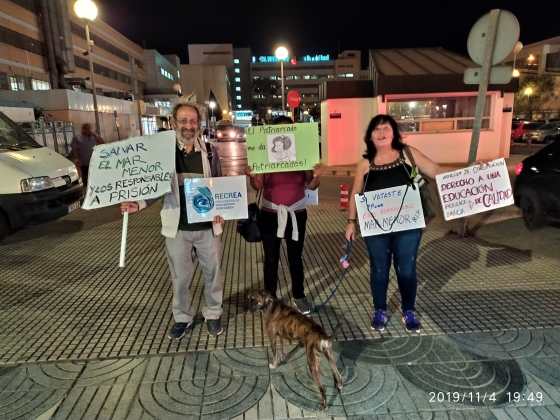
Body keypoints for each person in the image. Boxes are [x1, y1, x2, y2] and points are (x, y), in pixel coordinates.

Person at [120, 102, 225, 339]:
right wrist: (139, 203)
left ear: (198, 124)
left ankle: (213, 313)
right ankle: (182, 317)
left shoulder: (210, 151)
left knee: (213, 274)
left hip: (208, 227)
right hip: (177, 227)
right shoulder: (163, 153)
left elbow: (220, 184)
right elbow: (154, 187)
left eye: (193, 121)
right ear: (174, 123)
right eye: (183, 121)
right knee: (180, 277)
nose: (189, 126)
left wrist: (222, 210)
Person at [345, 114, 445, 333]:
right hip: (376, 228)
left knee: (407, 268)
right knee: (379, 269)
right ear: (370, 135)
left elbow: (437, 172)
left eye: (386, 129)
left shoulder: (408, 154)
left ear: (394, 133)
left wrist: (473, 171)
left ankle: (408, 310)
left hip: (408, 226)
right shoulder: (364, 164)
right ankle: (380, 309)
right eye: (376, 130)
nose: (381, 133)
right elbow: (355, 193)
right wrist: (351, 222)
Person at [246, 116, 322, 315]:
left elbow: (312, 185)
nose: (281, 137)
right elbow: (258, 185)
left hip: (296, 213)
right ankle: (269, 297)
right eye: (277, 132)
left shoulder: (302, 156)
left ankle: (299, 295)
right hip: (270, 214)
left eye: (286, 131)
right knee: (271, 258)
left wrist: (317, 174)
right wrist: (252, 176)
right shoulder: (265, 156)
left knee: (295, 257)